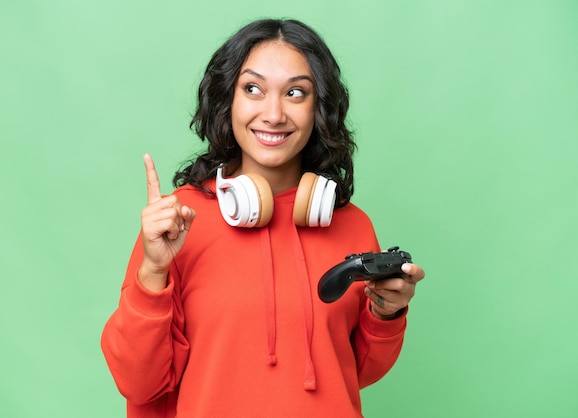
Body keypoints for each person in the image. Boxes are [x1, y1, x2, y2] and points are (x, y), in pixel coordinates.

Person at [101, 18, 425, 418]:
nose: (273, 114)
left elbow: (356, 371)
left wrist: (386, 313)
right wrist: (153, 271)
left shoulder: (352, 225)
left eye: (295, 92)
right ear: (228, 101)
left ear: (318, 107)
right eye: (252, 88)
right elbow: (137, 382)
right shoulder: (177, 222)